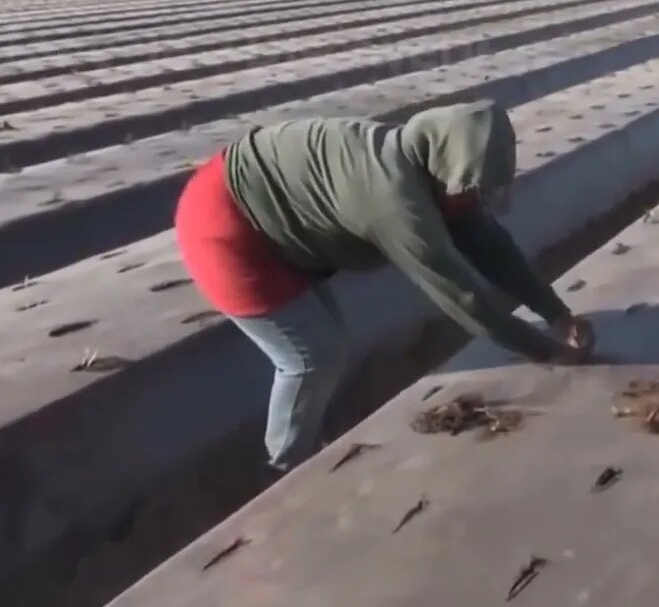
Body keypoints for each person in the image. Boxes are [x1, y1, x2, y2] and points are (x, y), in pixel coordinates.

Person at [174, 100, 595, 472]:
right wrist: (546, 350)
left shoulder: (434, 168)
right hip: (225, 227)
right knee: (312, 355)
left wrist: (556, 313)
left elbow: (490, 246)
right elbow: (462, 295)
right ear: (448, 168)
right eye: (471, 191)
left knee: (329, 346)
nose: (474, 202)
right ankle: (287, 468)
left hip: (273, 219)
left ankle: (312, 441)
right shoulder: (395, 200)